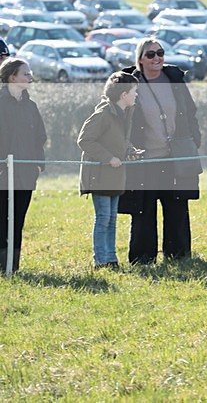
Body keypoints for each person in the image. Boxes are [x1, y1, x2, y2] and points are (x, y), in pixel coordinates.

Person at [119, 38, 201, 265]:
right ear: (140, 60)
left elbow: (190, 112)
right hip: (144, 159)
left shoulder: (174, 79)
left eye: (160, 53)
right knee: (143, 211)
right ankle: (143, 258)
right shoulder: (129, 83)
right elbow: (118, 116)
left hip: (174, 157)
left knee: (177, 207)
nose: (157, 58)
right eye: (151, 55)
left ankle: (179, 255)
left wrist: (195, 139)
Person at [77, 72, 140, 269]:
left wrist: (129, 150)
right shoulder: (103, 113)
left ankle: (111, 259)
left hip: (115, 175)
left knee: (112, 219)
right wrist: (108, 158)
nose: (136, 95)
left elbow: (118, 140)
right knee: (103, 218)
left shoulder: (125, 113)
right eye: (134, 91)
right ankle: (100, 260)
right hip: (100, 175)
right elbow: (84, 140)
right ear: (123, 94)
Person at [0, 59, 47, 273]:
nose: (30, 77)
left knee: (18, 221)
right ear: (12, 77)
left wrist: (38, 165)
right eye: (25, 73)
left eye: (30, 73)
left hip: (25, 174)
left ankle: (13, 266)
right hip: (2, 173)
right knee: (2, 221)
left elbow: (40, 138)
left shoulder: (31, 106)